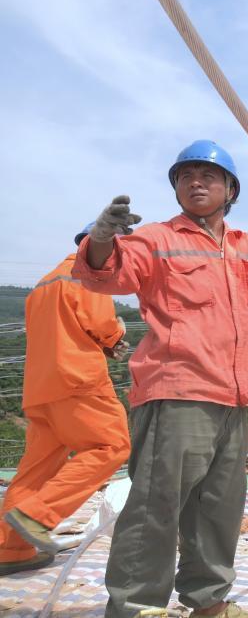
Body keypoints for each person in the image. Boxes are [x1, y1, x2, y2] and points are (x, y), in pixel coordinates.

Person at [73, 140, 248, 618]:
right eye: (185, 176)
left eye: (208, 175)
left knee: (218, 512)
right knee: (155, 509)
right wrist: (102, 236)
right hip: (177, 393)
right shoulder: (156, 239)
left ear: (231, 189)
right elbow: (107, 274)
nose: (195, 182)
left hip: (234, 399)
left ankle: (208, 603)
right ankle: (135, 607)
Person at [0, 224, 130, 576]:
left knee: (35, 470)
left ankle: (11, 551)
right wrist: (116, 334)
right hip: (78, 379)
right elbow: (101, 323)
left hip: (41, 388)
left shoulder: (43, 283)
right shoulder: (88, 276)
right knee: (111, 446)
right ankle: (37, 515)